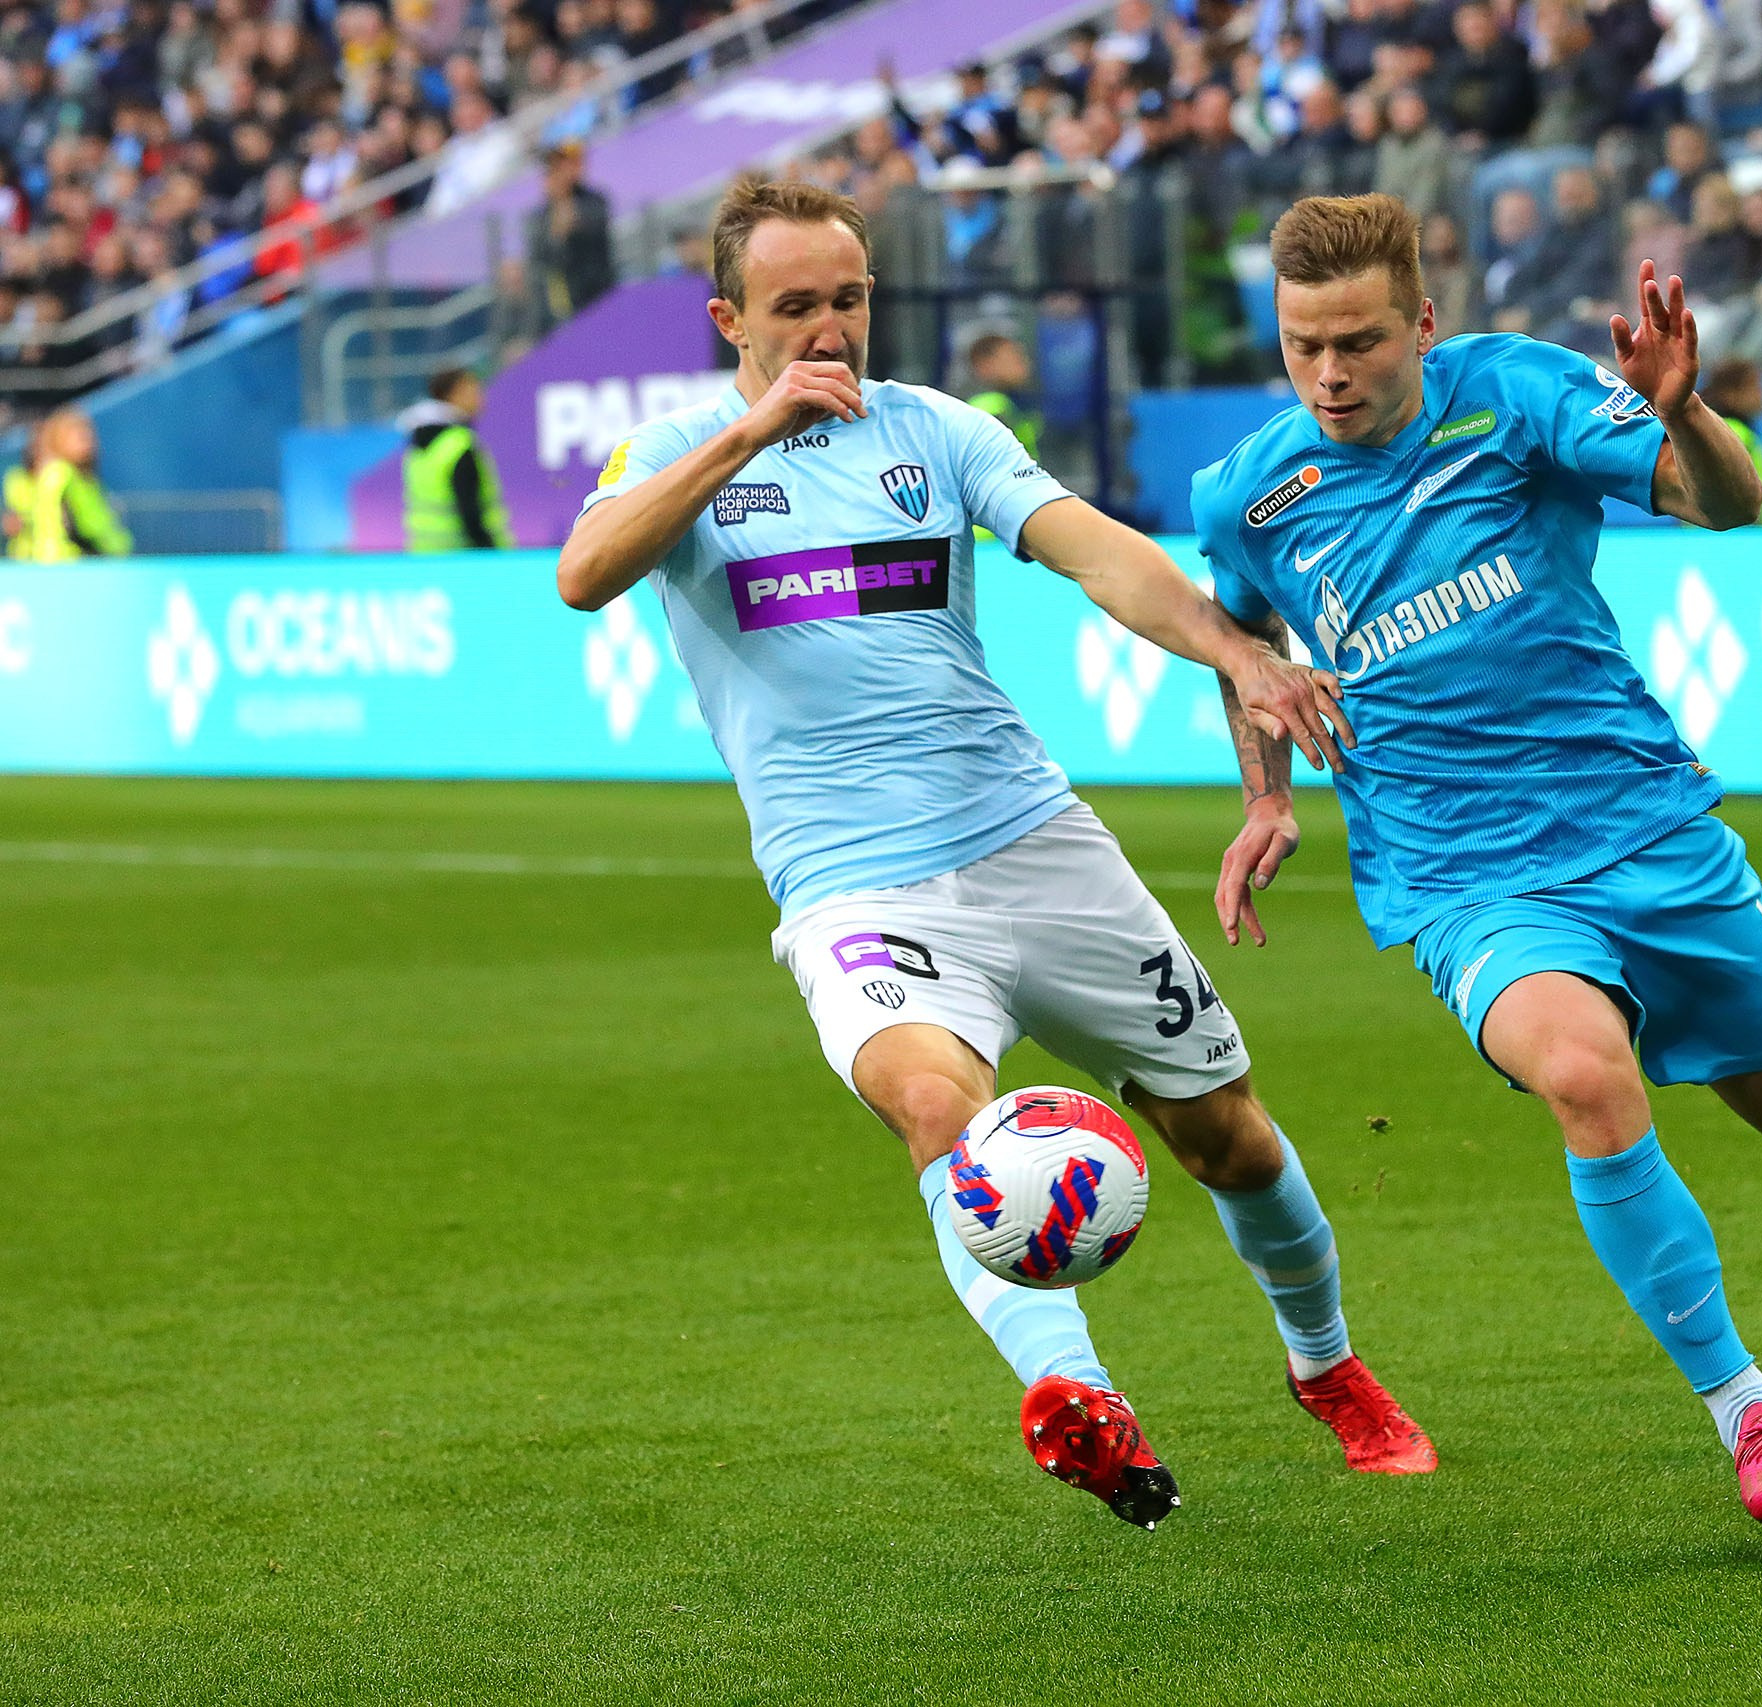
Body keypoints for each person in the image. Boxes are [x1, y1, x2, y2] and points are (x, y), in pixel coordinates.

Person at [555, 178, 1433, 1531]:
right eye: (797, 307)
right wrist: (752, 433)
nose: (832, 328)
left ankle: (1328, 1367)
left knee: (1230, 1137)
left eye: (849, 298)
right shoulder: (675, 451)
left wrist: (1237, 650)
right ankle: (1086, 1404)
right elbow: (587, 570)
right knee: (939, 1115)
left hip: (1032, 840)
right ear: (729, 316)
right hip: (854, 883)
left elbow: (1097, 554)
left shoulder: (935, 430)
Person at [1190, 194, 1762, 1533]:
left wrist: (1681, 411)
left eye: (1361, 343)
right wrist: (1267, 790)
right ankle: (1751, 1410)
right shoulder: (1251, 491)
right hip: (1460, 874)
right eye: (1304, 346)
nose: (1330, 374)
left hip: (1641, 825)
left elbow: (1727, 508)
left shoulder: (1516, 396)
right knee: (1580, 1069)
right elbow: (1240, 639)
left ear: (1425, 323)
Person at [400, 367, 515, 552]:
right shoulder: (459, 445)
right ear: (455, 392)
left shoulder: (419, 443)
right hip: (465, 560)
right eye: (473, 388)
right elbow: (470, 512)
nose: (480, 396)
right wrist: (490, 553)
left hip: (425, 557)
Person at [18, 408, 132, 561]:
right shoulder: (59, 473)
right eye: (79, 437)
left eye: (88, 435)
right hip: (71, 565)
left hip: (98, 561)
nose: (88, 442)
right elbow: (56, 524)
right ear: (60, 439)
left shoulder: (86, 477)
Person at [525, 141, 616, 331]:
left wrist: (564, 204)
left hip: (602, 290)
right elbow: (542, 258)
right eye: (556, 167)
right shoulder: (540, 216)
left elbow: (594, 229)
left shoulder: (594, 200)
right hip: (566, 301)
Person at [1700, 356, 1762, 524]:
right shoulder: (1732, 435)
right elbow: (1725, 501)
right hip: (1740, 542)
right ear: (1730, 394)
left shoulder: (1729, 431)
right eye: (1757, 388)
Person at [962, 330, 1039, 458]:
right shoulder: (987, 410)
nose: (1025, 364)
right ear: (985, 364)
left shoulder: (1013, 401)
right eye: (1015, 357)